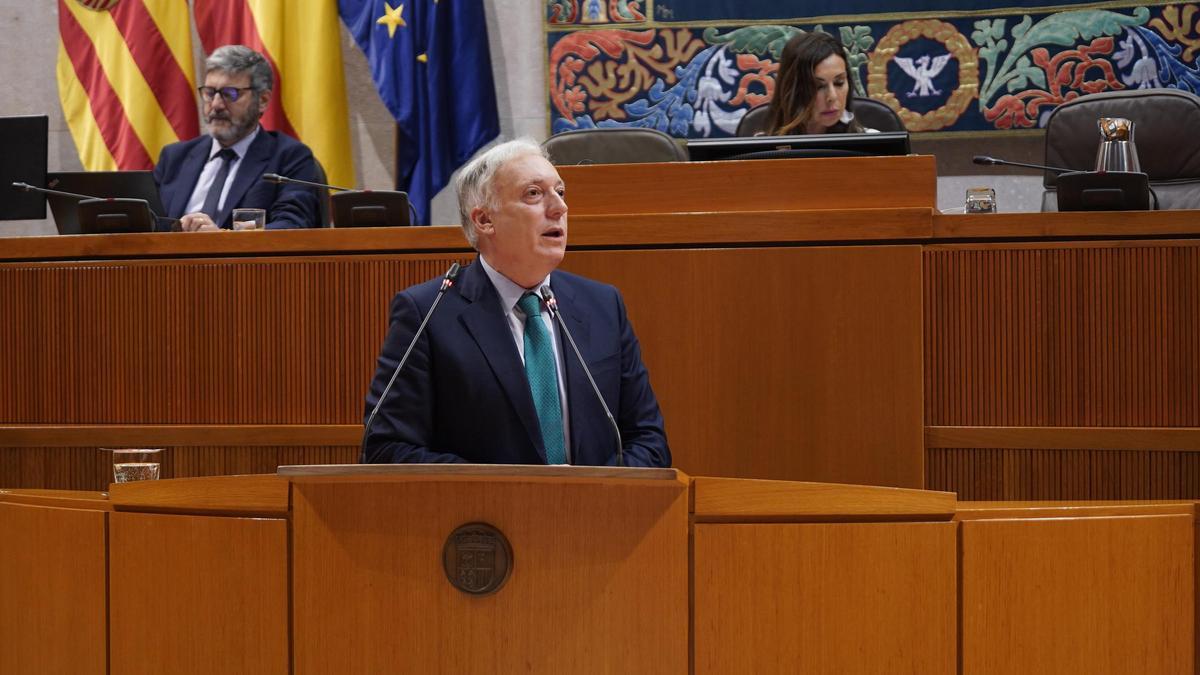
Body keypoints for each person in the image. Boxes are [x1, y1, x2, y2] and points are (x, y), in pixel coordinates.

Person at [361, 138, 670, 467]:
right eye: (534, 194)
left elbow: (648, 441)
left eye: (560, 192)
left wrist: (592, 494)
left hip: (596, 514)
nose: (559, 208)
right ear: (484, 221)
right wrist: (508, 495)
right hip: (482, 518)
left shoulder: (603, 306)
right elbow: (386, 448)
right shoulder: (428, 314)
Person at [153, 45, 320, 231]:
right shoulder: (175, 157)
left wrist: (223, 238)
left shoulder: (288, 157)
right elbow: (150, 223)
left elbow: (292, 225)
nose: (216, 105)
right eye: (209, 93)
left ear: (263, 100)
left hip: (244, 260)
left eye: (229, 94)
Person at [764, 31, 874, 135]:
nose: (832, 96)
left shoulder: (874, 145)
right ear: (793, 89)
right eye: (818, 86)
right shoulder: (761, 150)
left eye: (839, 83)